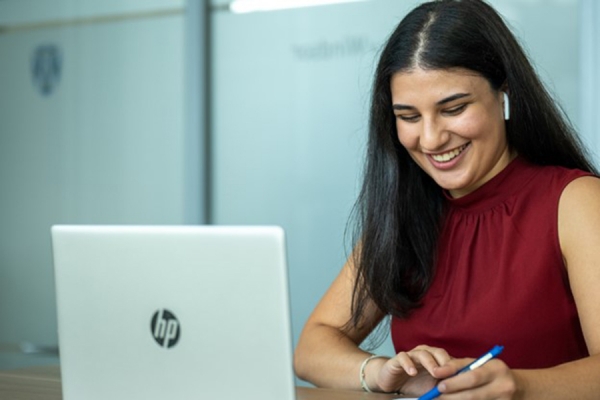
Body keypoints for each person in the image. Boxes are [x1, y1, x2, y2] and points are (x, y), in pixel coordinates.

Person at [293, 0, 600, 398]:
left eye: (453, 108)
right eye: (408, 116)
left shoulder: (575, 201)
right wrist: (381, 371)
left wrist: (521, 387)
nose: (432, 138)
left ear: (503, 93)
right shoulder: (407, 214)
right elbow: (312, 347)